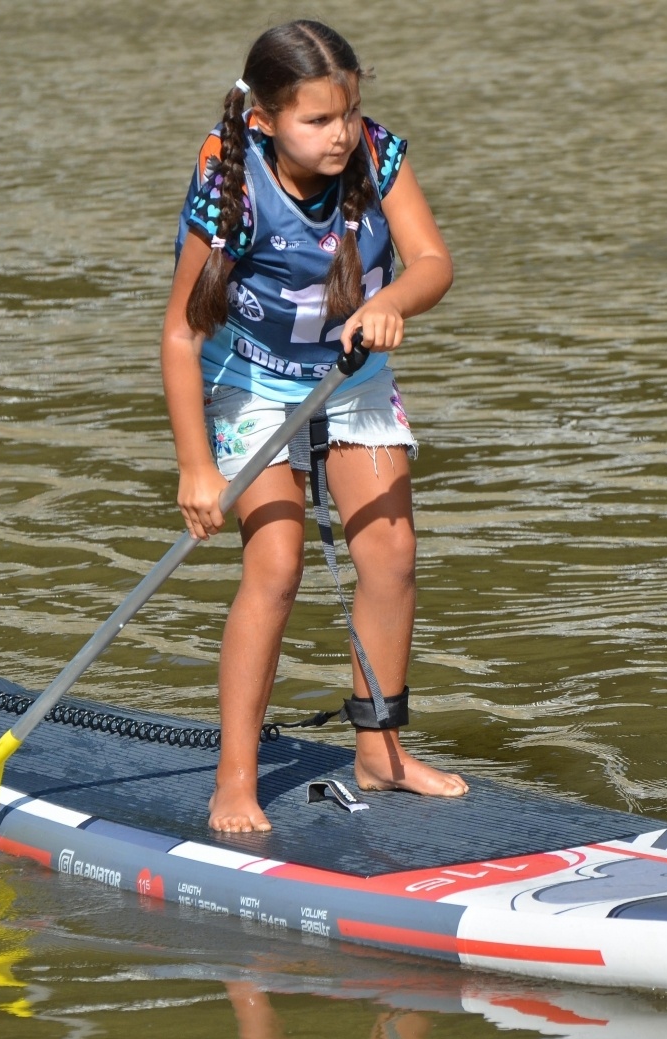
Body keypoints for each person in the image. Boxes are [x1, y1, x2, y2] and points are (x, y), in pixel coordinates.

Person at [159, 19, 468, 832]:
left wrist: (392, 300)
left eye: (349, 114)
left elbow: (432, 262)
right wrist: (196, 467)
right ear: (264, 119)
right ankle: (234, 778)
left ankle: (381, 752)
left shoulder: (375, 152)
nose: (340, 137)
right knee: (278, 563)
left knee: (393, 553)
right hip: (252, 383)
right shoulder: (230, 186)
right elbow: (180, 336)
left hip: (351, 376)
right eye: (317, 121)